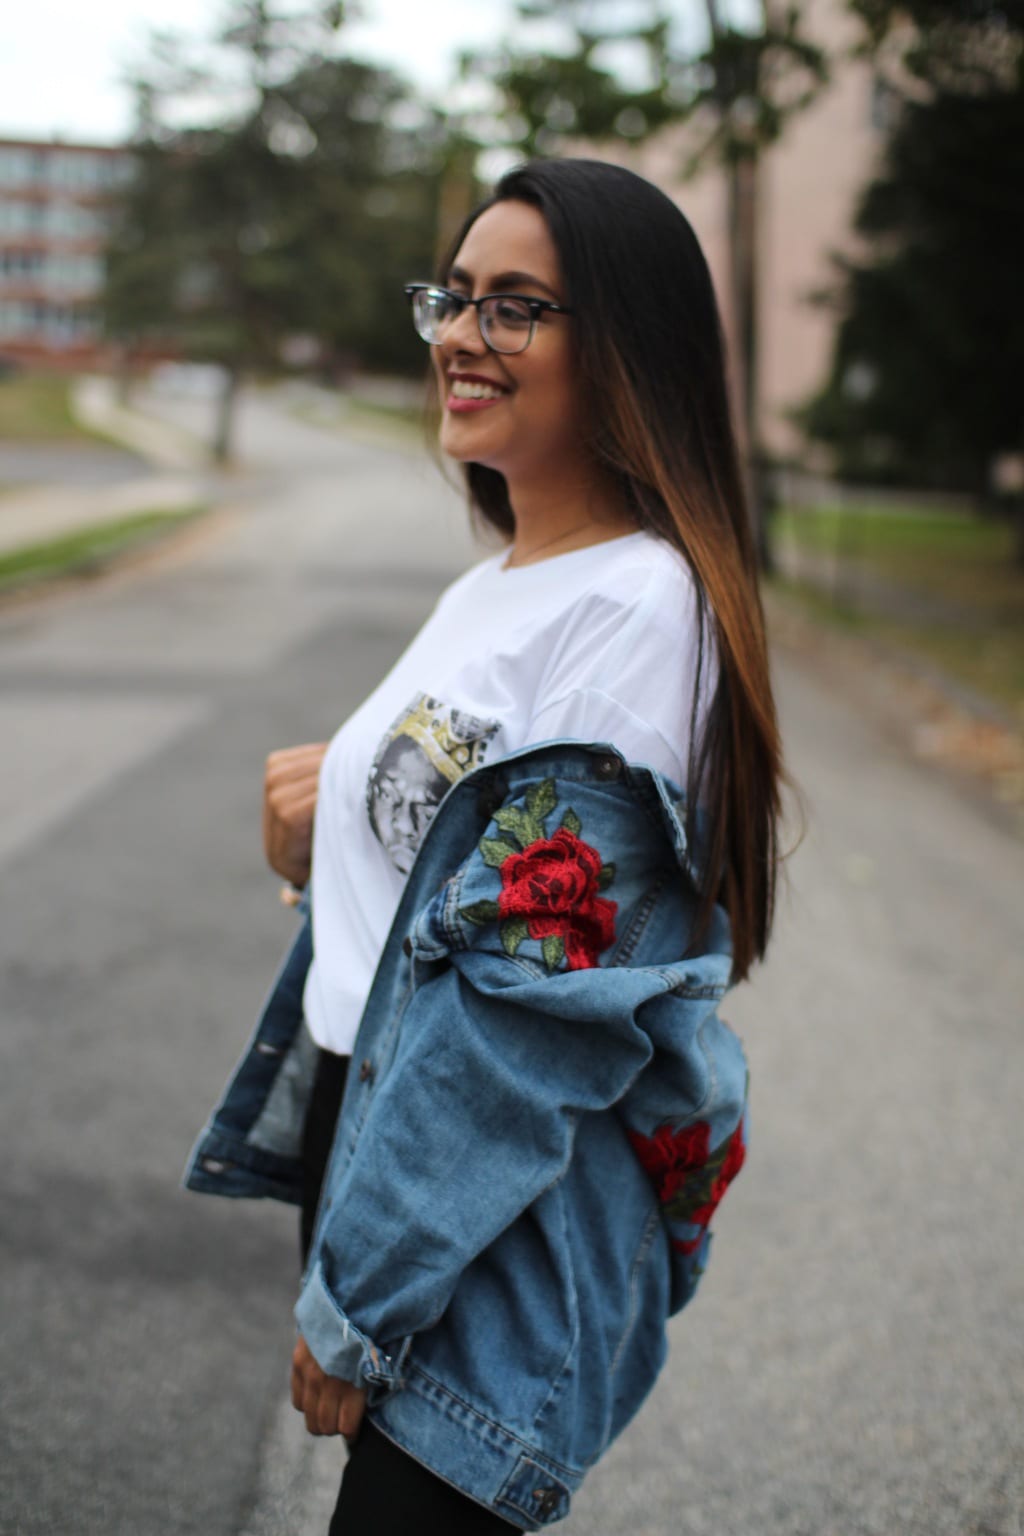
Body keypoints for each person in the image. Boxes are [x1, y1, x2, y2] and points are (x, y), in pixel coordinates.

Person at [186, 157, 784, 1532]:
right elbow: (448, 892)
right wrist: (315, 830)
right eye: (453, 298)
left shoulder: (635, 614)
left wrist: (362, 1302)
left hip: (487, 1212)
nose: (460, 334)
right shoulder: (500, 581)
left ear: (626, 346)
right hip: (387, 1140)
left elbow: (525, 1020)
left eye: (516, 307)